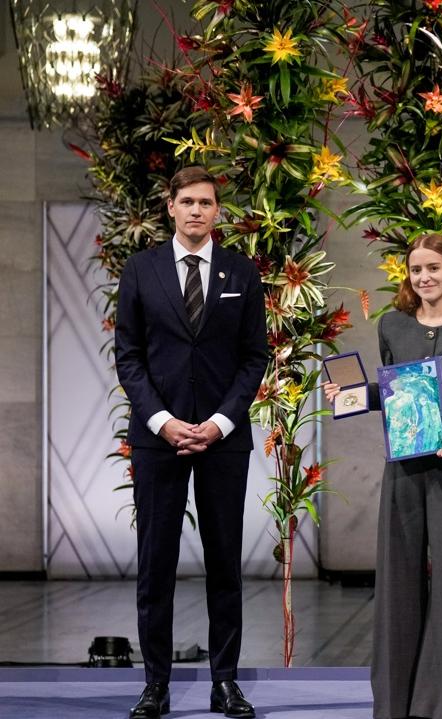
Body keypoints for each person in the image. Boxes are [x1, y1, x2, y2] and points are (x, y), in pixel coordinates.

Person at [114, 166, 268, 718]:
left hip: (223, 442)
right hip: (159, 442)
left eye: (206, 202)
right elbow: (128, 357)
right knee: (156, 565)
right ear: (171, 208)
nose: (197, 210)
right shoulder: (140, 269)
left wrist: (220, 423)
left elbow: (255, 358)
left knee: (225, 564)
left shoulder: (241, 272)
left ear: (217, 212)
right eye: (187, 201)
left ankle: (224, 682)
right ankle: (155, 685)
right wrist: (162, 421)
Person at [323, 233, 442, 719]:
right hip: (403, 468)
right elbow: (394, 389)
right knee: (398, 580)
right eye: (416, 270)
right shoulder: (393, 325)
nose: (423, 278)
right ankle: (395, 702)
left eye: (433, 269)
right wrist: (353, 395)